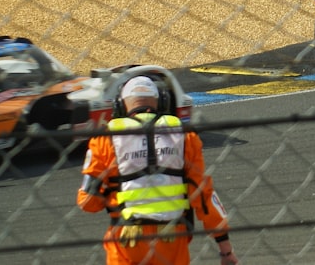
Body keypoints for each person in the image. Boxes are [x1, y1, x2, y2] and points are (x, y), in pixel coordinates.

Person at [77, 76, 240, 265]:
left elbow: (88, 202)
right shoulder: (184, 135)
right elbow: (203, 196)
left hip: (128, 237)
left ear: (119, 106)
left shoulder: (106, 138)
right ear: (163, 102)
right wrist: (225, 250)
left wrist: (113, 189)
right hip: (172, 237)